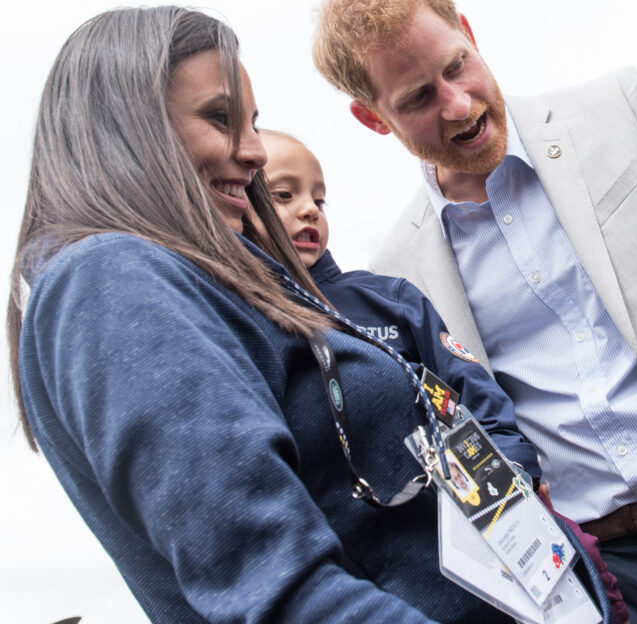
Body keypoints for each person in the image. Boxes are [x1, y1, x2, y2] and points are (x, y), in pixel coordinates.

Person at [312, 1, 637, 621]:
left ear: (470, 33)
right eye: (416, 98)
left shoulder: (620, 110)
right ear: (373, 118)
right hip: (614, 580)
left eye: (458, 67)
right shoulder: (397, 275)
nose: (457, 105)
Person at [9, 7, 549, 622]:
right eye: (220, 118)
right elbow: (280, 591)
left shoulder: (223, 282)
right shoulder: (107, 278)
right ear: (125, 128)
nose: (254, 151)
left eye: (252, 123)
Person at [259, 128, 630, 620]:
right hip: (397, 587)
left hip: (507, 547)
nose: (309, 210)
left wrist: (513, 474)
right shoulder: (239, 332)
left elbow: (472, 391)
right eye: (284, 195)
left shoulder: (386, 298)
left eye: (319, 199)